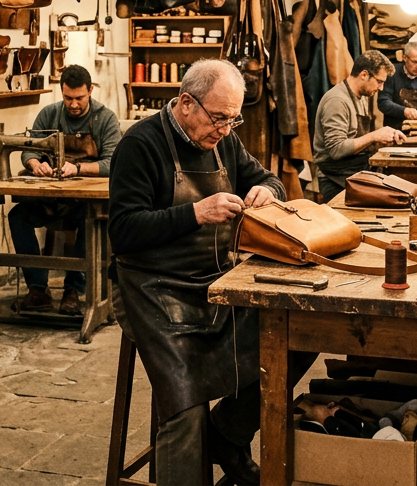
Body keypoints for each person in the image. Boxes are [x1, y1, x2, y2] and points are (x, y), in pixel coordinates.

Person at [109, 60, 309, 485]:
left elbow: (270, 179)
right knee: (186, 408)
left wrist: (266, 190)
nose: (225, 129)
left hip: (216, 283)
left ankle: (227, 435)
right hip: (153, 289)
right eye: (218, 118)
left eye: (232, 119)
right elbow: (123, 231)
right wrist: (195, 213)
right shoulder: (140, 144)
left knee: (294, 341)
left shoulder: (224, 141)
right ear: (186, 103)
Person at [10, 65, 122, 316]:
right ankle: (38, 289)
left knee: (88, 219)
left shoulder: (105, 119)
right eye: (68, 98)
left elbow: (112, 162)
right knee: (18, 216)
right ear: (61, 92)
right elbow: (28, 149)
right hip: (51, 198)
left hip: (85, 202)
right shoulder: (49, 114)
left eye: (79, 98)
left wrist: (78, 168)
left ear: (90, 90)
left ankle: (73, 289)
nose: (73, 104)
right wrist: (35, 164)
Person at [312, 49, 406, 202]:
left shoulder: (361, 97)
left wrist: (382, 139)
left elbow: (358, 139)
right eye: (379, 81)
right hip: (335, 180)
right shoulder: (337, 101)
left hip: (354, 173)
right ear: (364, 75)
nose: (381, 88)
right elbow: (336, 150)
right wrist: (374, 136)